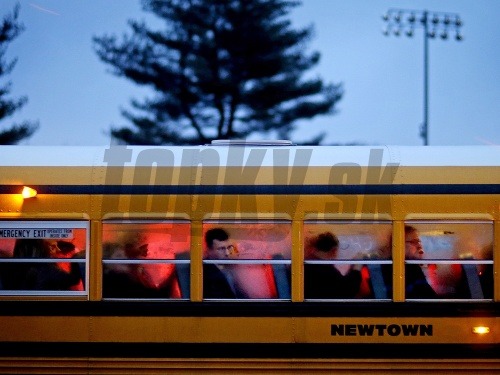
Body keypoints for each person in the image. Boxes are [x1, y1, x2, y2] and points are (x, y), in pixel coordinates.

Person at [304, 232, 362, 299]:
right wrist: (357, 268)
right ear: (334, 251)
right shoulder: (325, 270)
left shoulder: (307, 264)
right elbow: (347, 291)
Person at [403, 225, 437, 299]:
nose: (419, 245)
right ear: (400, 245)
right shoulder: (410, 268)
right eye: (414, 242)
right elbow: (429, 299)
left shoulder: (412, 266)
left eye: (419, 241)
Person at [203, 228, 237, 298]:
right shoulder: (206, 273)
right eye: (221, 249)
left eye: (229, 247)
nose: (227, 253)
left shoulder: (229, 267)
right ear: (209, 250)